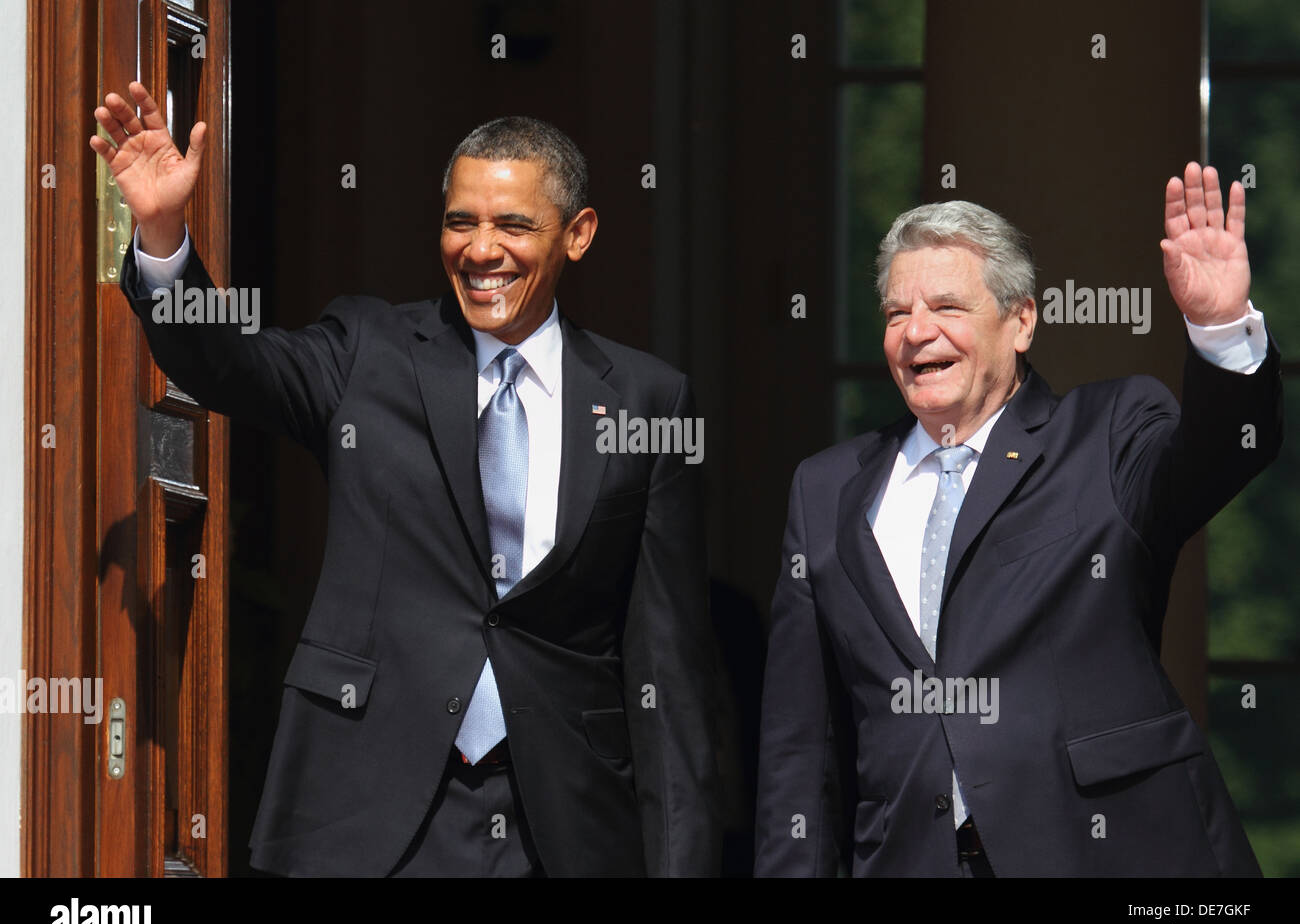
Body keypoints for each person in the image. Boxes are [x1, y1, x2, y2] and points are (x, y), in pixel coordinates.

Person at [91, 82, 725, 876]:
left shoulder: (645, 399)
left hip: (561, 824)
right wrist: (162, 232)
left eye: (513, 225)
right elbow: (228, 362)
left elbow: (669, 666)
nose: (481, 249)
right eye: (461, 221)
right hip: (366, 807)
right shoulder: (370, 349)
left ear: (578, 234)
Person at [754, 165, 1279, 876]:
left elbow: (1221, 454)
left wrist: (1218, 327)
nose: (916, 332)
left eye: (947, 307)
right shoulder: (826, 489)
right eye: (895, 313)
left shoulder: (1107, 432)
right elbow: (799, 743)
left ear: (1022, 321)